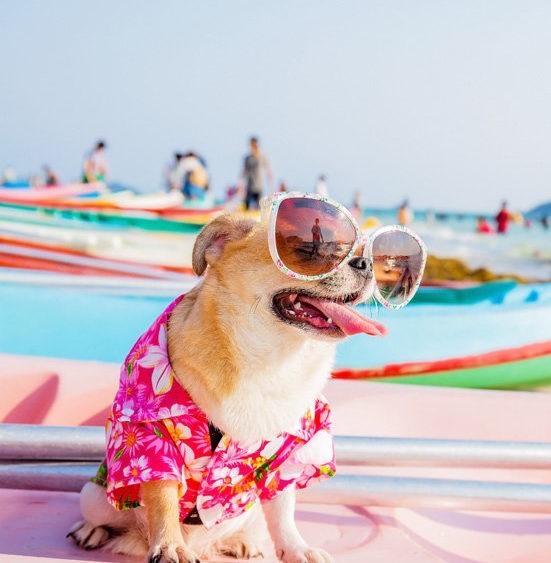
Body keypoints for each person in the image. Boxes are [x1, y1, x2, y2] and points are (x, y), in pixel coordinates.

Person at [241, 136, 272, 210]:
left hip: (259, 185)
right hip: (249, 186)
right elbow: (244, 171)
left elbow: (268, 170)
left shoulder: (262, 156)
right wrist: (241, 185)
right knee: (246, 205)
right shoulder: (247, 158)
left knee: (259, 206)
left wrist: (271, 185)